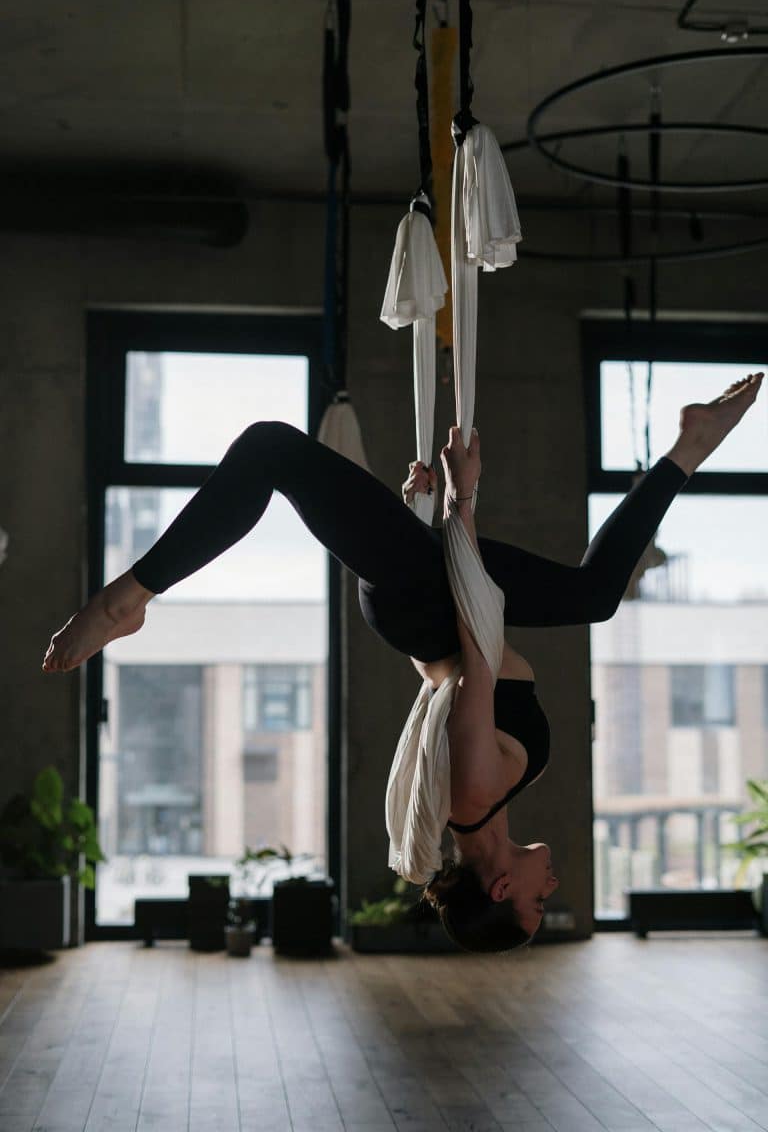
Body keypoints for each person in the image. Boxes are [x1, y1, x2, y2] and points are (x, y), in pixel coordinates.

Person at [43, 373, 764, 952]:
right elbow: (441, 679)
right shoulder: (467, 808)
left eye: (542, 899)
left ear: (505, 890)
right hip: (417, 613)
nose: (553, 884)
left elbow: (481, 646)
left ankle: (127, 598)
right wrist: (419, 523)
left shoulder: (482, 789)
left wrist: (460, 503)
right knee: (593, 594)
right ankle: (690, 444)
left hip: (432, 598)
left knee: (271, 449)